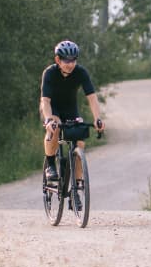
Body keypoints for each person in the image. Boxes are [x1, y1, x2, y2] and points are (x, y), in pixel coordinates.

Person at [40, 39, 104, 181]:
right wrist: (49, 120)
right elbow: (45, 101)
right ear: (58, 60)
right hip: (51, 108)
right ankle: (51, 165)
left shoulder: (81, 72)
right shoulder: (49, 73)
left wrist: (97, 119)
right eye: (67, 61)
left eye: (73, 60)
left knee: (80, 143)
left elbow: (92, 97)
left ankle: (78, 182)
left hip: (70, 108)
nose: (70, 64)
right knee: (55, 127)